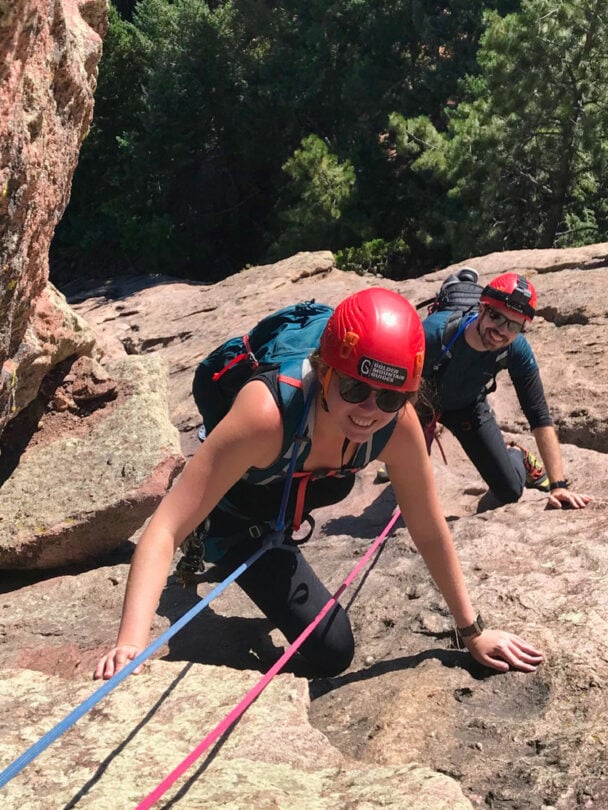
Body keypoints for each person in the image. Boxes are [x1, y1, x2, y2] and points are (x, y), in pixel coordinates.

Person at [94, 288, 543, 681]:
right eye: (354, 389)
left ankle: (221, 506)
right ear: (324, 370)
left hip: (282, 511)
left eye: (389, 396)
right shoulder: (266, 415)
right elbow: (164, 528)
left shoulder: (398, 426)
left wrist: (473, 632)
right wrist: (130, 646)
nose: (369, 409)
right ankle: (206, 514)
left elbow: (427, 529)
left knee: (332, 652)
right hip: (240, 516)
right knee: (203, 516)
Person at [416, 272, 591, 510]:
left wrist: (558, 486)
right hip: (422, 403)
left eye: (513, 325)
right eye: (496, 316)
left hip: (467, 407)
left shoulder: (516, 349)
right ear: (481, 308)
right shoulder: (433, 333)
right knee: (408, 476)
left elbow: (539, 415)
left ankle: (516, 455)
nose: (501, 330)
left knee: (509, 490)